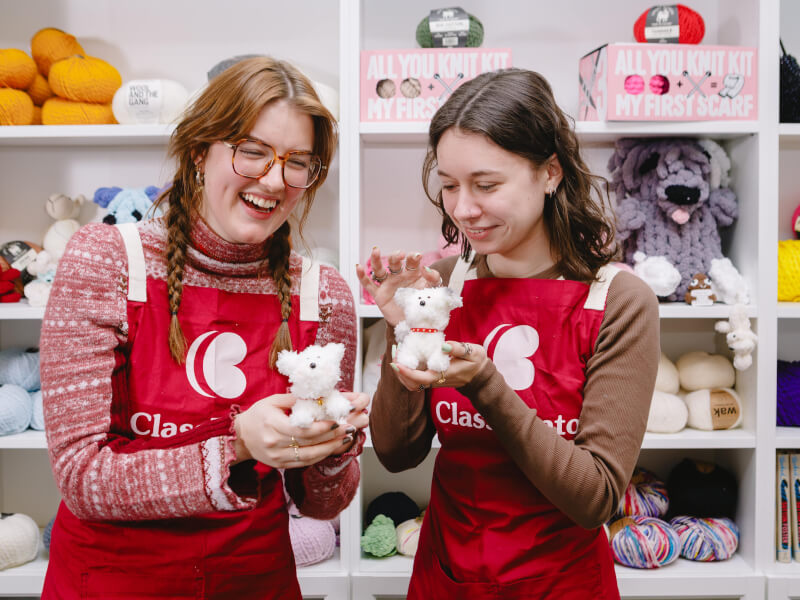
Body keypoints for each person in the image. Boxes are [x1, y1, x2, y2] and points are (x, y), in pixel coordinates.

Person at [39, 56, 368, 600]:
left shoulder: (323, 295)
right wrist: (237, 444)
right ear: (199, 150)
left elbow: (321, 505)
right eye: (253, 152)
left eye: (297, 163)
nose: (274, 180)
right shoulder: (106, 261)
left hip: (254, 578)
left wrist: (333, 448)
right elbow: (82, 479)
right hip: (112, 579)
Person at [357, 68, 660, 599]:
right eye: (449, 186)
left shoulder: (617, 300)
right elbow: (396, 453)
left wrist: (486, 385)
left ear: (550, 172)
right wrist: (403, 332)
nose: (463, 208)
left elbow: (595, 498)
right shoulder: (448, 283)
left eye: (486, 184)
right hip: (446, 575)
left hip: (562, 584)